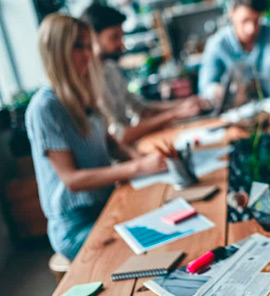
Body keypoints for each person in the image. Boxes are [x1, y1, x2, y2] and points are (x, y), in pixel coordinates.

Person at [26, 14, 167, 260]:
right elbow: (72, 180)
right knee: (152, 246)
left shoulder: (84, 92)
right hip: (77, 225)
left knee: (164, 220)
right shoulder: (44, 107)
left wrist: (140, 158)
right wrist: (138, 167)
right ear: (58, 51)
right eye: (78, 46)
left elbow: (110, 143)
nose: (88, 54)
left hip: (106, 206)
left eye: (87, 45)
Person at [81, 4, 201, 145]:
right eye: (114, 37)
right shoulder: (88, 81)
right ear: (92, 37)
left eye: (121, 36)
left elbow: (139, 107)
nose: (122, 45)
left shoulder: (111, 68)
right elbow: (119, 136)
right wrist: (173, 114)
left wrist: (183, 104)